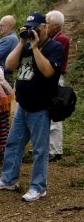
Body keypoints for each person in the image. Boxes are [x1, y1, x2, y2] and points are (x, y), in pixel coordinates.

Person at [0, 12, 64, 202]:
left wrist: (36, 47)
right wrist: (22, 43)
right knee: (13, 143)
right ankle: (8, 179)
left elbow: (48, 72)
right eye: (29, 28)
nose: (33, 31)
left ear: (45, 27)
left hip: (41, 107)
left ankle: (38, 187)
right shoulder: (24, 45)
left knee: (40, 150)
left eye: (36, 28)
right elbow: (9, 65)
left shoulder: (54, 47)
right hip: (23, 106)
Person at [46, 10, 70, 162]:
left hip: (55, 77)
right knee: (48, 113)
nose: (45, 26)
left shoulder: (61, 39)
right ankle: (49, 147)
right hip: (51, 77)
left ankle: (55, 150)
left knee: (55, 115)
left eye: (47, 23)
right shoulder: (54, 37)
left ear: (55, 25)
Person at [0, 15, 19, 86]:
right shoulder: (13, 38)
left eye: (1, 25)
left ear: (10, 26)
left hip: (3, 77)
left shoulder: (9, 39)